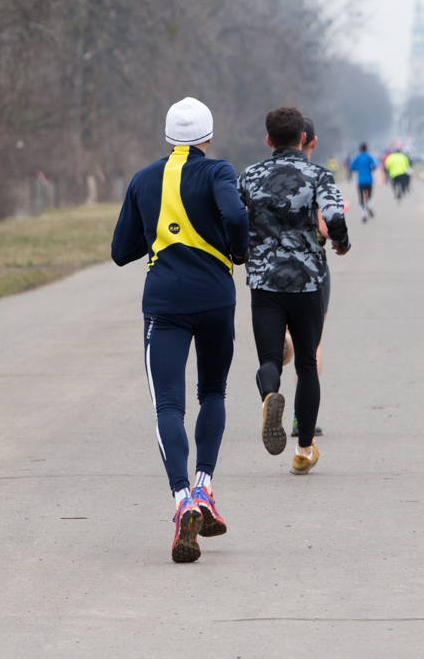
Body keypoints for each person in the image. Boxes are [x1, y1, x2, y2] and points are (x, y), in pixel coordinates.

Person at [111, 97, 250, 564]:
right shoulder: (218, 172)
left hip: (165, 304)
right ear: (207, 137)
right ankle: (205, 488)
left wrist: (157, 237)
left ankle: (181, 500)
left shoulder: (144, 179)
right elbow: (234, 215)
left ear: (168, 136)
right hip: (215, 298)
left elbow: (119, 250)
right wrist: (236, 250)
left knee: (167, 403)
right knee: (213, 393)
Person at [239, 107, 350, 475]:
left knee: (271, 360)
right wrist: (342, 244)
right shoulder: (318, 175)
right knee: (306, 363)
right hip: (307, 281)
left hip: (264, 282)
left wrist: (241, 251)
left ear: (268, 140)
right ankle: (303, 450)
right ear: (303, 138)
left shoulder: (250, 177)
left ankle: (270, 396)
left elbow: (233, 216)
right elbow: (333, 216)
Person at [282, 117, 333, 437]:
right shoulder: (318, 179)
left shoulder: (265, 176)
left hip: (273, 271)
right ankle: (303, 417)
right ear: (311, 141)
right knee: (311, 345)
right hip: (312, 271)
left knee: (283, 333)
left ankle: (281, 347)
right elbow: (327, 228)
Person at [348, 143, 378, 222]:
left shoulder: (356, 157)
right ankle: (369, 205)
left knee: (361, 198)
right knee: (370, 195)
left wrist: (358, 169)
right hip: (369, 180)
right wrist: (370, 169)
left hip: (360, 181)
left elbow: (351, 168)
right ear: (366, 149)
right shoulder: (369, 156)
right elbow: (375, 165)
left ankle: (364, 213)